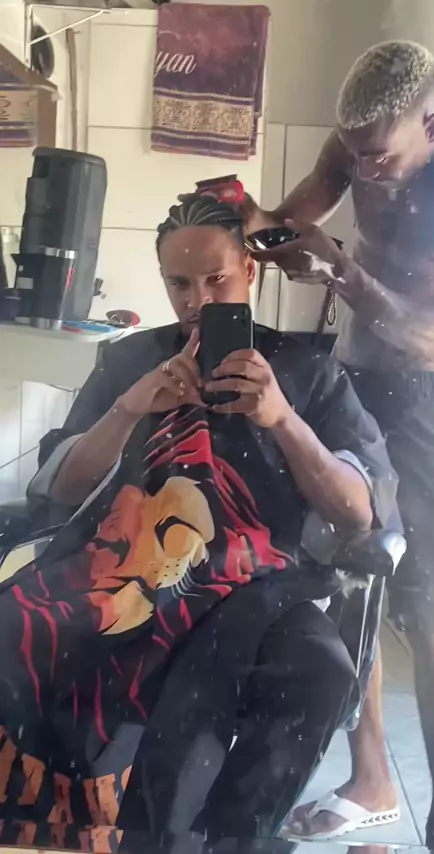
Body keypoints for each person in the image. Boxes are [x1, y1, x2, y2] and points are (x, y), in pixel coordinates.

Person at [0, 194, 397, 849]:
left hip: (262, 583)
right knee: (13, 635)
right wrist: (129, 409)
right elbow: (62, 491)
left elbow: (359, 509)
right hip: (122, 569)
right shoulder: (128, 362)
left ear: (250, 271)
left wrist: (283, 419)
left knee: (317, 674)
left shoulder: (307, 372)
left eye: (217, 279)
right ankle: (61, 831)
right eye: (180, 284)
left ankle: (230, 839)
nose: (198, 300)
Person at [243, 39, 434, 854]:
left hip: (428, 400)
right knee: (348, 576)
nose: (366, 173)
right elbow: (288, 218)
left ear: (432, 124)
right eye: (356, 157)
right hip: (350, 376)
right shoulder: (354, 144)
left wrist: (340, 272)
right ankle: (372, 778)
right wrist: (246, 221)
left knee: (425, 603)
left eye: (381, 158)